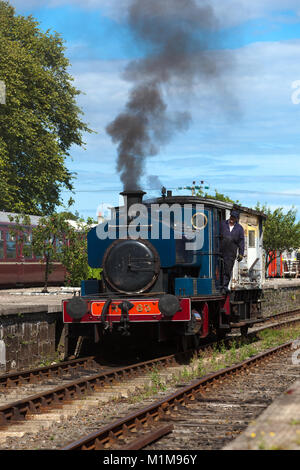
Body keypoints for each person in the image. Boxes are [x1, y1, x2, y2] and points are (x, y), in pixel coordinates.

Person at [220, 209, 245, 293]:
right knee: (219, 269)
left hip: (231, 252)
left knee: (227, 270)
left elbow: (241, 242)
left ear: (236, 219)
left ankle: (224, 287)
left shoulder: (239, 228)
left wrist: (241, 253)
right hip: (220, 251)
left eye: (234, 217)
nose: (232, 218)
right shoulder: (223, 224)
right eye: (231, 216)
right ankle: (218, 285)